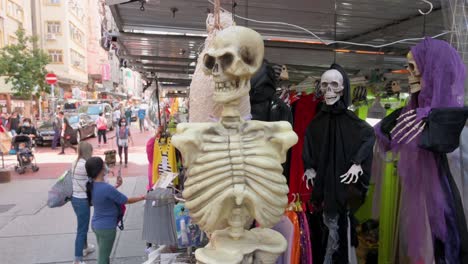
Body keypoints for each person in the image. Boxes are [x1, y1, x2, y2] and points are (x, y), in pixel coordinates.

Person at [85, 157, 145, 264]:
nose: (106, 167)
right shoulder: (106, 188)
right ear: (100, 170)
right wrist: (143, 197)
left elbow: (104, 195)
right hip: (107, 228)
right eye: (104, 165)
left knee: (104, 254)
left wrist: (117, 186)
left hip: (97, 225)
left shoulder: (92, 185)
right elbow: (126, 200)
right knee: (103, 258)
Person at [71, 142, 96, 264]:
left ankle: (85, 248)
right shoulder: (86, 165)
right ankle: (77, 259)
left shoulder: (75, 162)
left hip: (75, 199)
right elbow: (97, 175)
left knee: (83, 226)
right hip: (82, 200)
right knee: (81, 229)